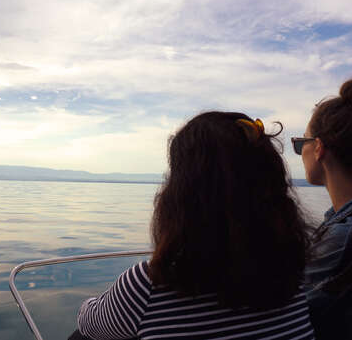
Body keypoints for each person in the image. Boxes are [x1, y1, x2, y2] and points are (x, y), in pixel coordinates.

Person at [72, 111, 314, 340]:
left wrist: (95, 303)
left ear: (182, 194)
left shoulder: (150, 284)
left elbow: (89, 323)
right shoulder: (297, 271)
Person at [291, 74, 352, 339]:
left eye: (300, 143)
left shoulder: (346, 236)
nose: (299, 151)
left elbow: (289, 306)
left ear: (318, 148)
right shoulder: (349, 222)